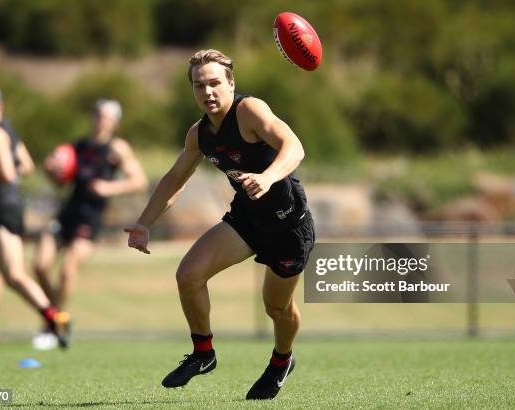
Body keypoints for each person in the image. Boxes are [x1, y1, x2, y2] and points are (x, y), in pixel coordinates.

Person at [125, 49, 315, 400]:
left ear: (231, 83)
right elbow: (175, 179)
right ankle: (203, 353)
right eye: (199, 86)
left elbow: (294, 146)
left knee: (276, 308)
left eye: (214, 83)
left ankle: (281, 362)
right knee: (189, 275)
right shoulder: (200, 134)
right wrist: (143, 223)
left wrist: (269, 176)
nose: (208, 92)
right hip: (246, 220)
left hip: (288, 226)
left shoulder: (250, 110)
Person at [0, 84, 69, 353]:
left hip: (3, 206)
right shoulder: (7, 130)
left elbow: (6, 174)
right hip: (5, 205)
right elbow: (26, 166)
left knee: (14, 274)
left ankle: (55, 318)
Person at [33, 99, 147, 348]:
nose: (99, 119)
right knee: (40, 266)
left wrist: (109, 187)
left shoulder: (117, 148)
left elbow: (139, 181)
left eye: (105, 116)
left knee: (66, 271)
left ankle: (53, 326)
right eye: (96, 114)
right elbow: (61, 182)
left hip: (90, 218)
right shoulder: (78, 146)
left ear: (114, 122)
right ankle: (57, 316)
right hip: (67, 214)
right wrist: (51, 171)